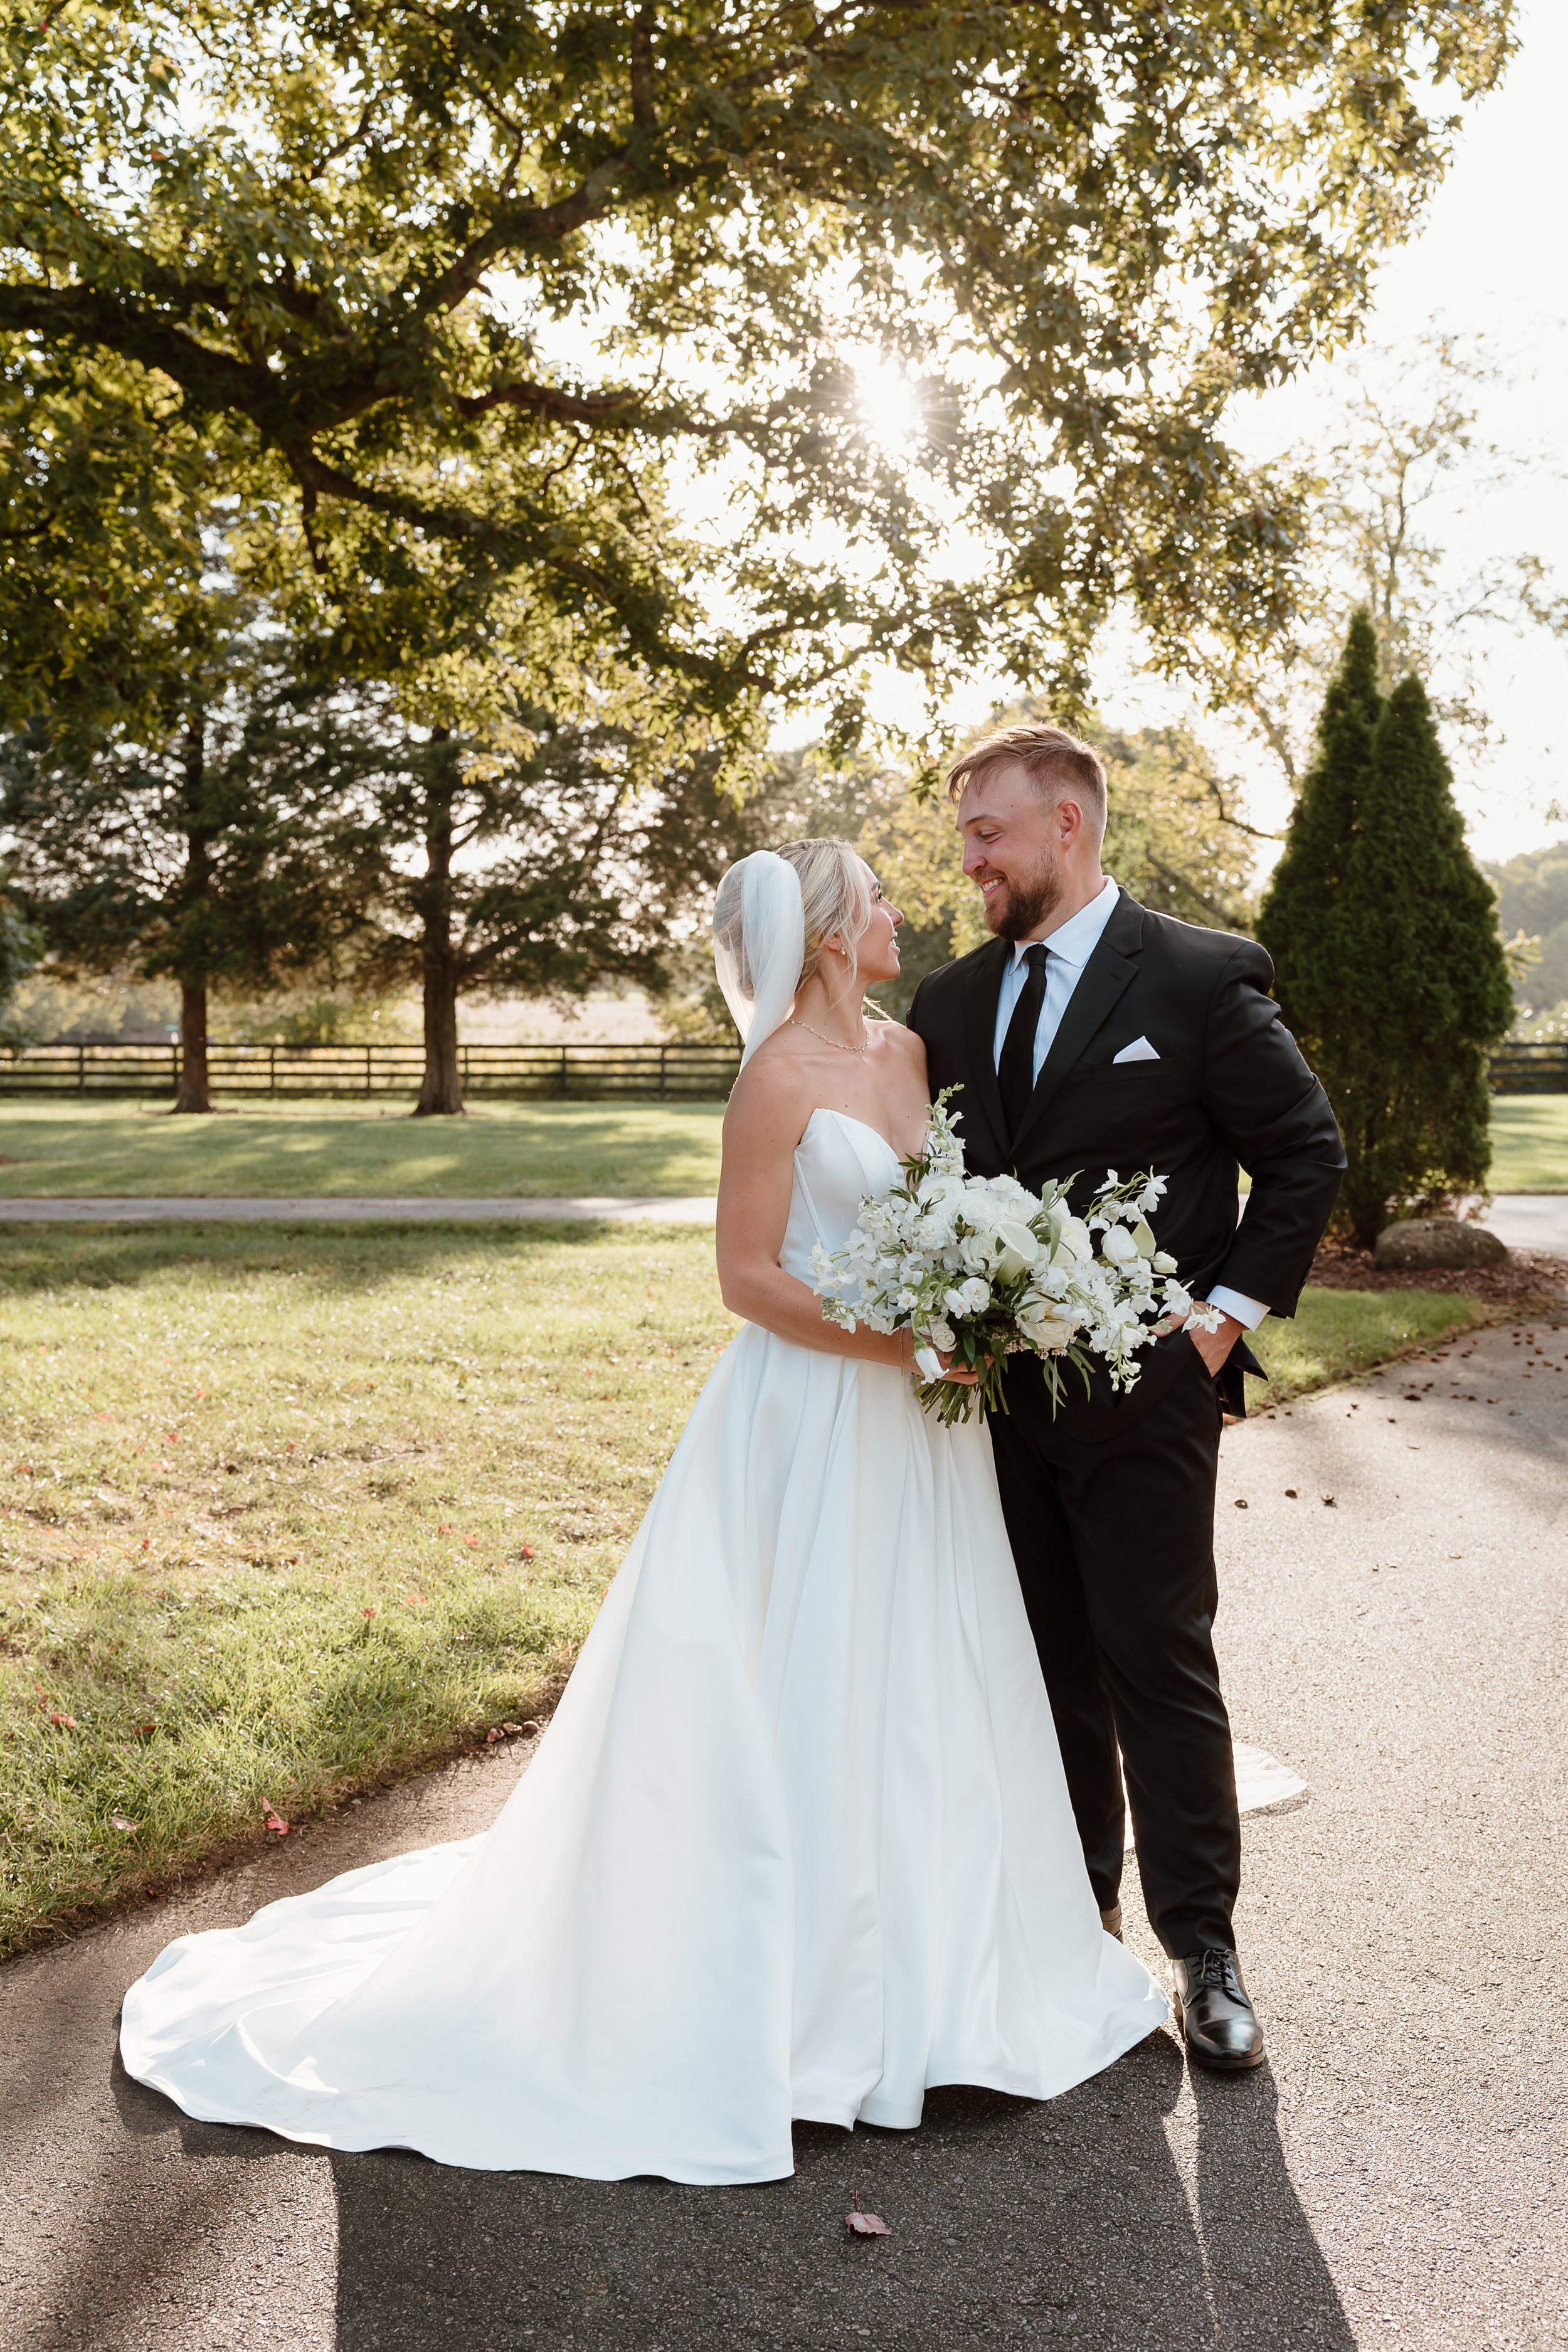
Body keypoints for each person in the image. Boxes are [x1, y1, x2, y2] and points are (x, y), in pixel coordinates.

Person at [120, 838, 1164, 2185]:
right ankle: (784, 1990)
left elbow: (942, 1216)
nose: (906, 907)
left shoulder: (906, 1058)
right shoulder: (773, 1080)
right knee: (801, 1667)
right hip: (809, 1416)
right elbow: (746, 1280)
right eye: (882, 898)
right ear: (835, 932)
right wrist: (903, 1342)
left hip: (922, 1429)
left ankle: (945, 1968)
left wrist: (972, 1300)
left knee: (925, 1668)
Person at [907, 725, 1345, 2071]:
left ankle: (1202, 1951)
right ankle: (1073, 1930)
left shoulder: (1203, 979)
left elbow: (1300, 1153)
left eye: (986, 830)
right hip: (993, 1408)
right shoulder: (946, 1006)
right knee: (1045, 1665)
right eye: (965, 833)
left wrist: (1218, 1324)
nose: (968, 856)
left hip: (1146, 1393)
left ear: (1066, 826)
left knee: (1156, 1660)